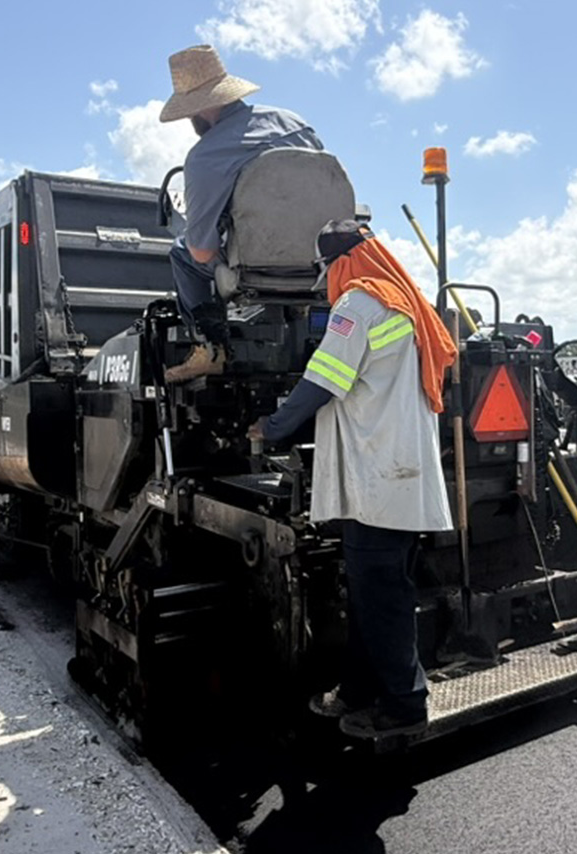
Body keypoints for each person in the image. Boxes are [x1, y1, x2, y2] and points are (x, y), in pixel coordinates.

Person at [247, 220, 457, 738]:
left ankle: (405, 706)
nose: (327, 283)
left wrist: (271, 427)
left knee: (380, 595)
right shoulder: (404, 302)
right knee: (374, 590)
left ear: (340, 265)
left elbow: (324, 379)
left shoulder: (356, 306)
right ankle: (359, 691)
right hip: (401, 479)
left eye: (326, 272)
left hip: (379, 483)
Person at [158, 44, 326, 382]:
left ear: (199, 108)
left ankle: (211, 349)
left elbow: (202, 251)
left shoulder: (205, 156)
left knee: (181, 251)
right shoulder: (295, 123)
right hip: (320, 264)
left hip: (255, 267)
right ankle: (298, 307)